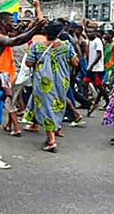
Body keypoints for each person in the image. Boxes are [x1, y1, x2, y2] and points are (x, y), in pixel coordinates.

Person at [0, 12, 46, 168]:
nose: (15, 24)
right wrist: (35, 29)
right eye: (12, 21)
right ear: (3, 23)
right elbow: (17, 40)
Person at [25, 20, 79, 152]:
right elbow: (75, 62)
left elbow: (29, 63)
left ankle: (51, 140)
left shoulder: (37, 46)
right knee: (58, 105)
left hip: (43, 81)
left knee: (46, 107)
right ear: (60, 33)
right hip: (61, 81)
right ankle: (56, 130)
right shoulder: (66, 46)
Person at [85, 26, 109, 115]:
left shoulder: (97, 41)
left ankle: (108, 101)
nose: (89, 34)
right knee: (84, 84)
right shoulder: (90, 41)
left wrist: (92, 65)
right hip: (90, 67)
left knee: (99, 86)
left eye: (91, 32)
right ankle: (88, 103)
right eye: (87, 32)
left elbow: (99, 55)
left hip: (97, 68)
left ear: (95, 32)